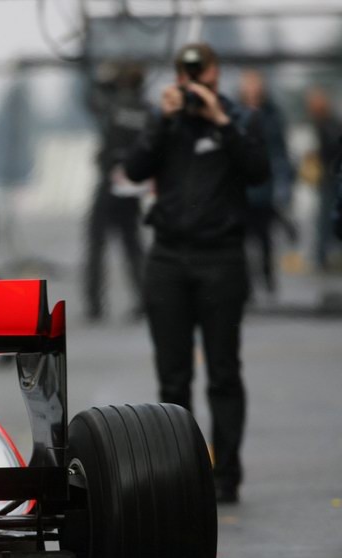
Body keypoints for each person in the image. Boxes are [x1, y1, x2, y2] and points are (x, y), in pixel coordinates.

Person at [124, 43, 270, 504]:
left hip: (221, 259)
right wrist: (164, 123)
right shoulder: (165, 120)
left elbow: (258, 171)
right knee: (173, 377)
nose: (193, 80)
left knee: (223, 372)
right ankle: (183, 475)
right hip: (168, 258)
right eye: (185, 73)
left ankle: (226, 475)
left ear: (214, 72)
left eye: (199, 71)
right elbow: (133, 169)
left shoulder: (238, 120)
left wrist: (221, 121)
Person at [83, 61, 152, 321]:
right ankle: (144, 299)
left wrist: (100, 81)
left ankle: (94, 305)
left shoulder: (113, 106)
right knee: (133, 244)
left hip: (109, 181)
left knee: (96, 245)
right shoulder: (147, 110)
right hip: (133, 184)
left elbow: (91, 102)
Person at [238, 70, 295, 297]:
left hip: (265, 186)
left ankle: (267, 278)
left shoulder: (272, 115)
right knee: (242, 241)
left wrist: (283, 186)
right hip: (241, 188)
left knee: (264, 239)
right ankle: (247, 286)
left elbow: (280, 153)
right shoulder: (234, 113)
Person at [305, 87, 342, 271]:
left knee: (326, 219)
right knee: (326, 219)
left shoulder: (326, 123)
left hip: (331, 176)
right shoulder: (327, 123)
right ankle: (322, 257)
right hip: (330, 176)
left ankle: (323, 257)